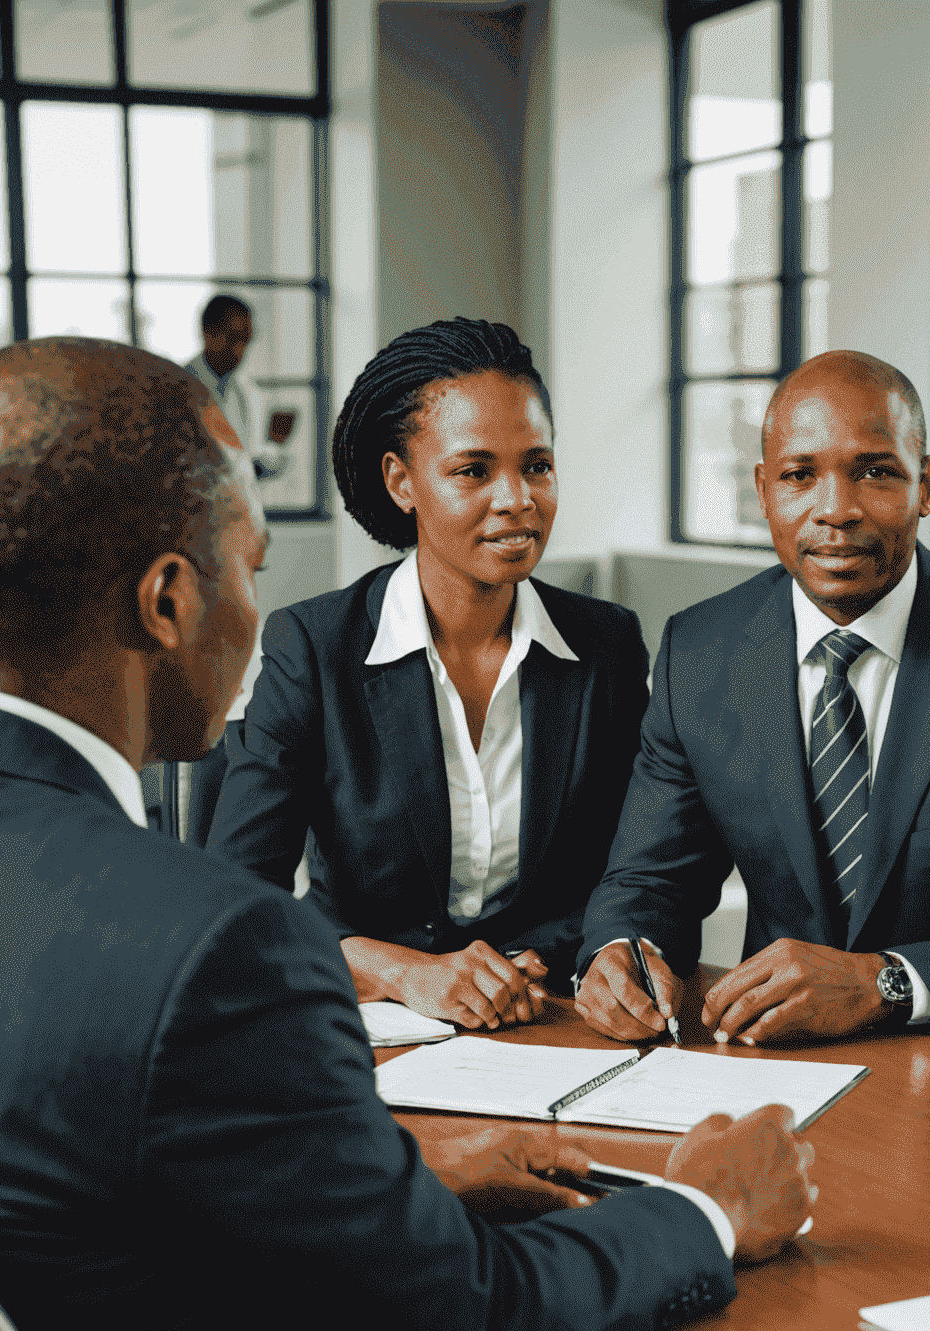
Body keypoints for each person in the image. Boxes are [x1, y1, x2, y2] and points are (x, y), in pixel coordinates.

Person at [0, 336, 816, 1331]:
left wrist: (381, 1185)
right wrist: (706, 1212)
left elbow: (63, 1183)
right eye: (247, 566)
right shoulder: (212, 950)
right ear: (168, 600)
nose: (259, 610)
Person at [575, 349, 930, 1047]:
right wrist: (617, 954)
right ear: (764, 491)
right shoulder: (700, 653)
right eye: (799, 476)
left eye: (875, 472)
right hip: (775, 1061)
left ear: (926, 484)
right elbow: (651, 881)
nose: (836, 510)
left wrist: (886, 982)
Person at [209, 318, 649, 1027]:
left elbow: (633, 866)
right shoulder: (314, 648)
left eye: (536, 464)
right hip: (369, 1028)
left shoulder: (606, 645)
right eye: (474, 471)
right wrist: (402, 972)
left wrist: (577, 951)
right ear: (401, 481)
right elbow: (238, 897)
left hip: (549, 1021)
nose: (518, 499)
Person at [184, 293, 293, 481]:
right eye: (232, 338)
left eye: (245, 339)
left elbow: (259, 462)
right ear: (207, 332)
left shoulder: (249, 392)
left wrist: (275, 443)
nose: (239, 350)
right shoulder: (179, 387)